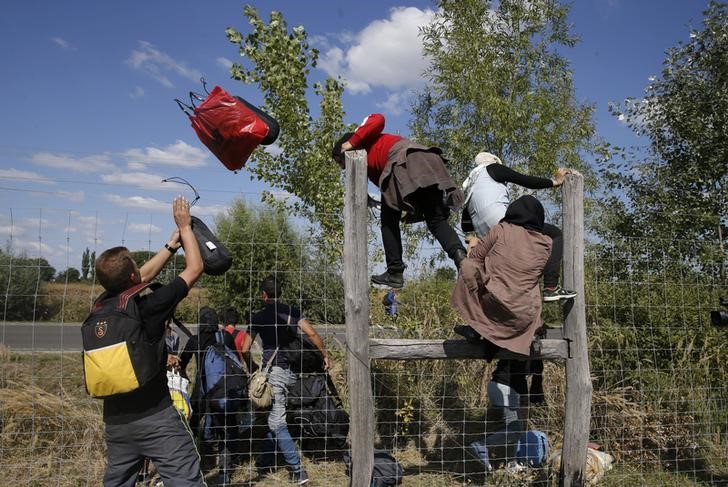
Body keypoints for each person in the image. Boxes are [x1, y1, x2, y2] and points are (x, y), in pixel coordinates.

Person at [95, 196, 205, 487]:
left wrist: (171, 246)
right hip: (155, 418)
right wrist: (185, 227)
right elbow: (194, 268)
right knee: (185, 477)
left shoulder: (103, 305)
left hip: (116, 422)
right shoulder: (149, 307)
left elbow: (139, 275)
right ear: (133, 276)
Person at [450, 195, 551, 472]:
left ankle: (508, 463)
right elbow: (525, 378)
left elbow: (475, 260)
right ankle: (482, 448)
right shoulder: (545, 243)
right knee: (514, 429)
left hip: (503, 381)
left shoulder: (502, 230)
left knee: (515, 429)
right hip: (506, 381)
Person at [333, 113, 467, 288]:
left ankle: (395, 272)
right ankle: (462, 260)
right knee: (435, 220)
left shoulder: (362, 139)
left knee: (388, 221)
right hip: (425, 160)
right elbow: (368, 178)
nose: (342, 166)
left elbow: (378, 118)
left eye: (340, 160)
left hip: (403, 162)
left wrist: (350, 143)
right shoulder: (368, 157)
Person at [241, 275, 330, 485]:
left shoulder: (258, 317)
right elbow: (312, 334)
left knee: (277, 421)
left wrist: (252, 365)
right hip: (292, 372)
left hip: (274, 373)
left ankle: (298, 471)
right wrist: (325, 354)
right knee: (275, 414)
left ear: (263, 295)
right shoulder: (291, 312)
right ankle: (264, 462)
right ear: (280, 294)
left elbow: (244, 348)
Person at [461, 152, 576, 301]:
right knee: (555, 234)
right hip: (503, 224)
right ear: (495, 162)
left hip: (487, 236)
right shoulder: (493, 168)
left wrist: (472, 240)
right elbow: (525, 180)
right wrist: (554, 181)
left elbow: (465, 223)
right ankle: (551, 287)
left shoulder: (470, 183)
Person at [179, 307, 246, 485]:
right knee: (228, 426)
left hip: (202, 390)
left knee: (192, 424)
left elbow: (181, 363)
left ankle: (199, 461)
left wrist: (185, 377)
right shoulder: (225, 336)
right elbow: (235, 360)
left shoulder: (195, 340)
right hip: (223, 389)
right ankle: (226, 469)